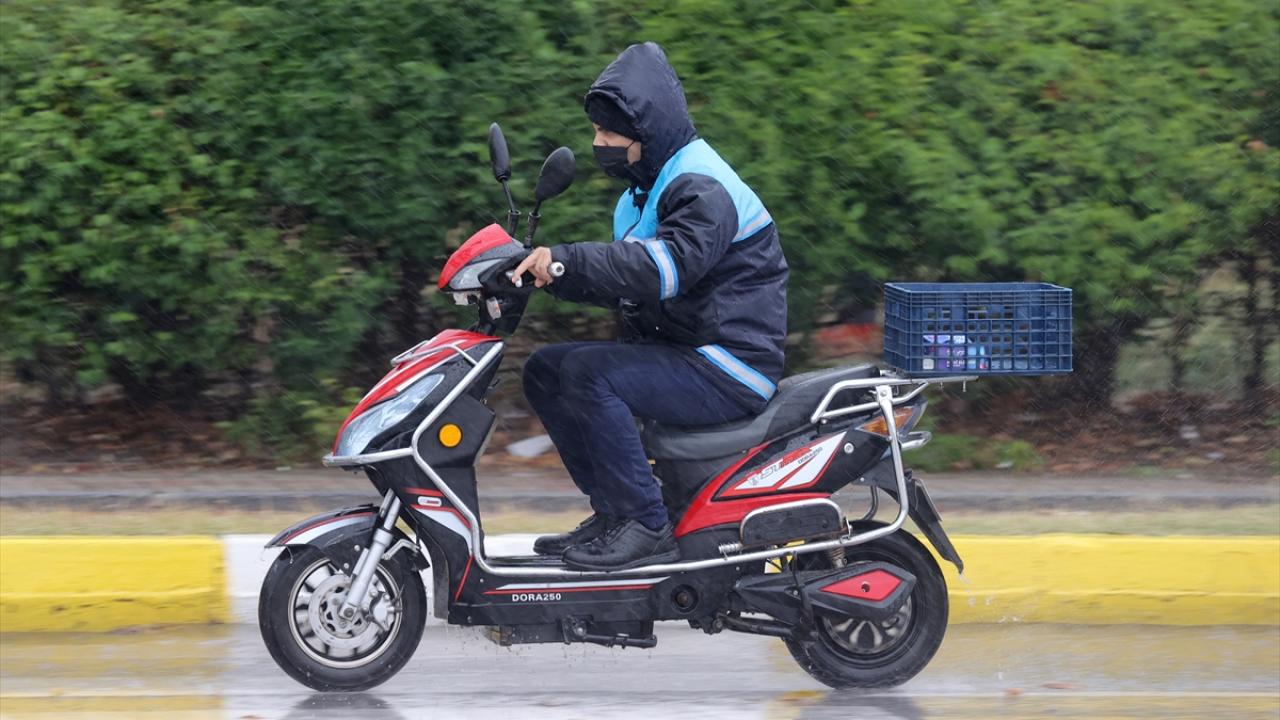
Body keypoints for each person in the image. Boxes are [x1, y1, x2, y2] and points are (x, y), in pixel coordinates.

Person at [512, 42, 788, 571]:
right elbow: (628, 280)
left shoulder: (702, 186)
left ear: (646, 132)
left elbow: (666, 269)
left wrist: (567, 262)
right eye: (597, 131)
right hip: (688, 353)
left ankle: (644, 522)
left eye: (609, 133)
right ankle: (614, 512)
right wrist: (543, 274)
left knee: (591, 374)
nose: (599, 144)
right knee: (545, 369)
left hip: (730, 363)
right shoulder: (642, 192)